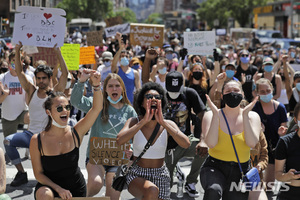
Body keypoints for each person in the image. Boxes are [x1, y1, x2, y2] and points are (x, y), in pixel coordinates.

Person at [4, 42, 68, 187]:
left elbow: (65, 74)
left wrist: (58, 51)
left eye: (44, 78)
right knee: (7, 141)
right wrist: (17, 50)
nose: (40, 81)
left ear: (50, 78)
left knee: (50, 172)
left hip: (48, 139)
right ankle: (21, 174)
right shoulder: (31, 90)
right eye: (38, 78)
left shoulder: (56, 94)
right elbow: (20, 72)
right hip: (30, 136)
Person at [30, 70, 101, 200]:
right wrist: (58, 189)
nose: (65, 111)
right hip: (49, 188)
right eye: (59, 108)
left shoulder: (76, 132)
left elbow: (96, 109)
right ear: (48, 112)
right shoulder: (37, 140)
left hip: (76, 188)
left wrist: (96, 85)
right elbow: (39, 174)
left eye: (67, 108)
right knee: (44, 195)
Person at [116, 82, 190, 200]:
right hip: (137, 174)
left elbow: (186, 143)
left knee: (152, 192)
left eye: (158, 97)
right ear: (142, 102)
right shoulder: (134, 121)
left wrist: (163, 123)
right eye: (149, 97)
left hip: (161, 174)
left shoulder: (168, 124)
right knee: (152, 190)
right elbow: (119, 140)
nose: (154, 99)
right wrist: (143, 121)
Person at [70, 72, 137, 199]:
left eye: (117, 85)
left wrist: (131, 149)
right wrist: (81, 81)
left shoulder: (129, 110)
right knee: (95, 184)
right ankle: (82, 196)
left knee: (112, 196)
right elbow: (75, 101)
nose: (114, 89)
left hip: (118, 158)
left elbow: (134, 136)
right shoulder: (96, 103)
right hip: (96, 157)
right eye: (110, 86)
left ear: (122, 88)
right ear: (105, 89)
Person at [200, 80, 261, 200]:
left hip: (240, 170)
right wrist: (216, 116)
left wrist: (244, 116)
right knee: (213, 190)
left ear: (242, 94)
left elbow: (252, 144)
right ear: (222, 96)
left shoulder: (252, 116)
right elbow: (211, 144)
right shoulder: (211, 115)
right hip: (215, 167)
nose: (232, 94)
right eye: (228, 91)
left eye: (236, 91)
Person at [164, 71, 207, 198]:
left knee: (205, 149)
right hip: (167, 145)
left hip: (186, 139)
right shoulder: (160, 95)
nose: (174, 94)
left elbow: (203, 116)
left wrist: (203, 140)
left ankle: (191, 181)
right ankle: (176, 171)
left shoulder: (189, 93)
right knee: (167, 184)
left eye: (176, 90)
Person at [252, 78, 288, 191]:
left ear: (272, 89)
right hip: (257, 149)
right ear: (257, 92)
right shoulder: (254, 107)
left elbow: (284, 128)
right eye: (262, 91)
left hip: (273, 149)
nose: (266, 93)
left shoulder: (280, 108)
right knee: (255, 185)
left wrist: (282, 132)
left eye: (268, 90)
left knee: (269, 185)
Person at [0, 51, 32, 138]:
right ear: (9, 62)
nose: (15, 62)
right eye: (13, 60)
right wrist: (5, 94)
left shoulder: (28, 78)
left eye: (18, 60)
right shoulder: (2, 78)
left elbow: (29, 101)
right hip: (8, 116)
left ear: (22, 62)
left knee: (33, 116)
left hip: (22, 113)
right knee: (9, 145)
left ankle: (29, 141)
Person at [275, 103, 300, 200]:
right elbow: (278, 174)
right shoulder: (285, 142)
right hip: (290, 193)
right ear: (295, 120)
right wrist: (288, 176)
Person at [111, 32, 141, 104]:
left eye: (126, 56)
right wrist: (121, 48)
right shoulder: (116, 70)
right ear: (119, 59)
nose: (124, 58)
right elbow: (113, 64)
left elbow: (138, 90)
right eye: (122, 56)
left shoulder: (135, 73)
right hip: (116, 103)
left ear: (129, 59)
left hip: (130, 104)